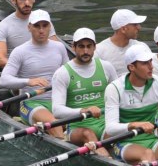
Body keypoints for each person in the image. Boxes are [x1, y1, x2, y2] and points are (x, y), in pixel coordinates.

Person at [0, 9, 68, 137]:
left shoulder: (59, 47)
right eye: (37, 26)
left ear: (50, 27)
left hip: (58, 101)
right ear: (29, 27)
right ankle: (65, 145)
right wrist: (29, 81)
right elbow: (3, 80)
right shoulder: (20, 51)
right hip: (31, 102)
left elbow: (69, 75)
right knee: (53, 123)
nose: (41, 30)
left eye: (45, 25)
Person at [51, 27, 118, 156]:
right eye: (81, 46)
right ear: (73, 47)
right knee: (88, 134)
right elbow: (56, 110)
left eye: (89, 46)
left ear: (95, 47)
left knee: (123, 131)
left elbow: (120, 96)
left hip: (105, 123)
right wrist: (83, 110)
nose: (85, 51)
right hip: (78, 129)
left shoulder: (106, 67)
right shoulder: (62, 73)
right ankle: (110, 163)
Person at [104, 43, 158, 166]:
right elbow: (110, 128)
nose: (151, 67)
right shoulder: (114, 88)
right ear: (132, 67)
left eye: (151, 61)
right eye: (145, 63)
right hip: (125, 142)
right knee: (147, 154)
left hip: (152, 139)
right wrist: (134, 124)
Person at [0, 0, 58, 68]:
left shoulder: (44, 21)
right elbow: (0, 60)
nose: (27, 3)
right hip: (19, 74)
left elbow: (56, 49)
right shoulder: (3, 26)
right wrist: (26, 68)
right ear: (13, 0)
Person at [95, 9, 149, 76]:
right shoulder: (99, 51)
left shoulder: (142, 47)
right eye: (135, 24)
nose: (139, 27)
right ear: (123, 29)